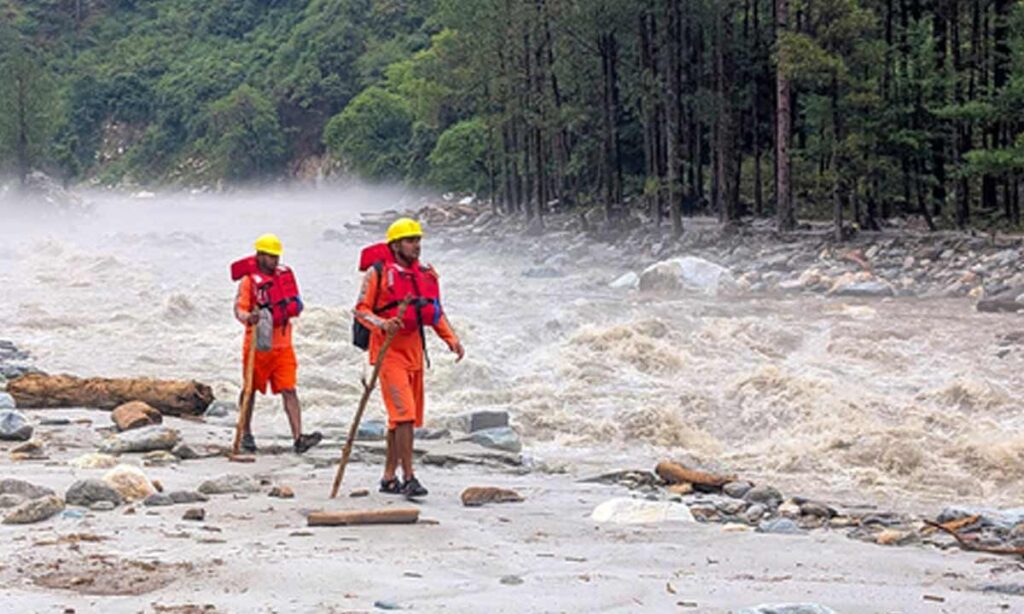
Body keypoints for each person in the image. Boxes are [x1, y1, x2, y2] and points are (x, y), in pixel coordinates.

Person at [354, 218, 464, 497]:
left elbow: (435, 312)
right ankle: (409, 476)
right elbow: (360, 310)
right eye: (410, 241)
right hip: (387, 352)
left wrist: (451, 339)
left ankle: (388, 477)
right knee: (404, 416)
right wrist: (382, 324)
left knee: (399, 420)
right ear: (395, 245)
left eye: (418, 241)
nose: (416, 246)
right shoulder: (376, 273)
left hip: (414, 352)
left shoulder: (426, 274)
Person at [232, 233, 322, 454]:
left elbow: (296, 303)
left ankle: (298, 437)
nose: (274, 261)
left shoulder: (284, 276)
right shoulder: (249, 281)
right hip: (257, 346)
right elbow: (239, 309)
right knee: (250, 389)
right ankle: (246, 432)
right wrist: (248, 318)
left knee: (290, 389)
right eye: (270, 256)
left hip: (283, 346)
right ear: (260, 256)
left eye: (276, 256)